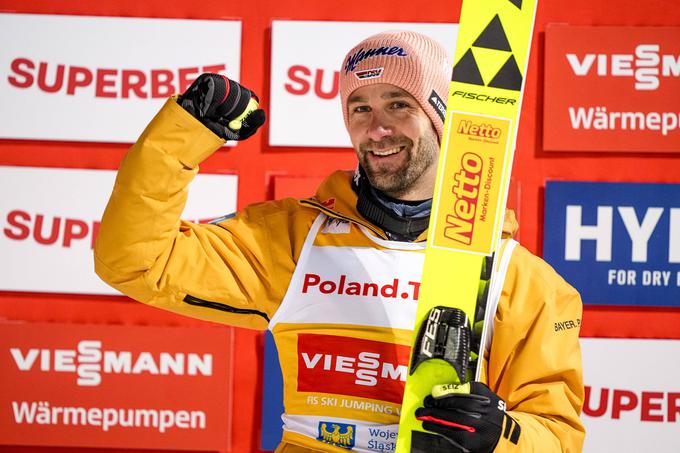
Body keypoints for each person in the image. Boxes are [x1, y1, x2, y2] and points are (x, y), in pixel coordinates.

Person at [95, 30, 585, 453]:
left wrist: (501, 434)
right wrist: (184, 133)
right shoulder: (292, 241)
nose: (377, 129)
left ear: (442, 118)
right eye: (360, 107)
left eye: (399, 104)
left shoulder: (521, 282)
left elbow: (557, 434)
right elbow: (135, 261)